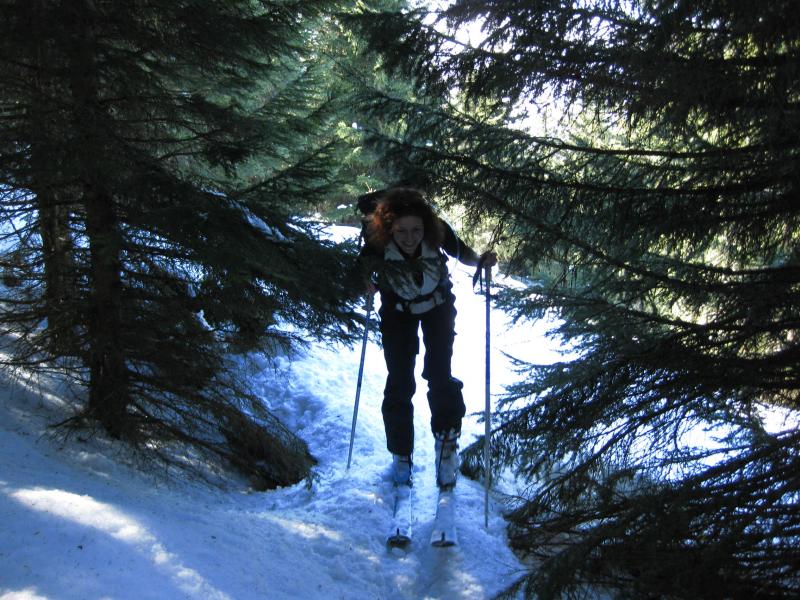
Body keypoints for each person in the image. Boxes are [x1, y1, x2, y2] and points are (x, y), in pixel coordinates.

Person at [359, 188, 497, 491]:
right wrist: (366, 280)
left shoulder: (438, 232)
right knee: (399, 380)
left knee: (439, 373)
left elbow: (464, 252)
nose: (409, 237)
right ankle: (401, 454)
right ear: (388, 228)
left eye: (416, 230)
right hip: (397, 311)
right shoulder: (376, 241)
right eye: (402, 231)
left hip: (439, 307)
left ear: (426, 226)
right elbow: (364, 266)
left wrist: (482, 262)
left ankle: (446, 444)